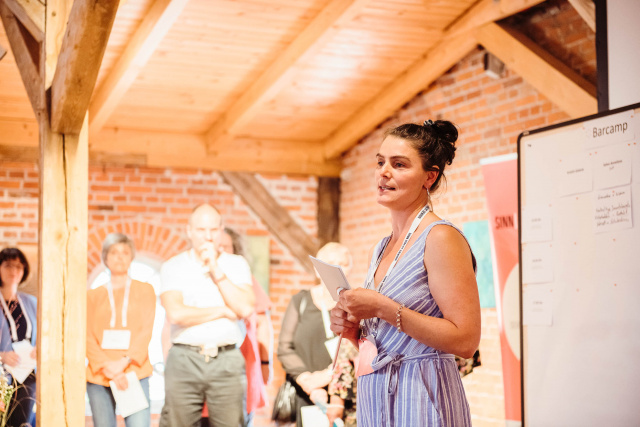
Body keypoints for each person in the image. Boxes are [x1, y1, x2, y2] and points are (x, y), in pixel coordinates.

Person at [329, 120, 481, 426]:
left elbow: (466, 340)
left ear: (429, 176)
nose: (384, 172)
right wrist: (353, 330)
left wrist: (381, 307)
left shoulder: (440, 237)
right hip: (376, 396)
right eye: (380, 162)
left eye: (398, 164)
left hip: (423, 394)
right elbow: (391, 339)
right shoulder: (380, 247)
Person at [160, 204, 255, 427]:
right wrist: (222, 311)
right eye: (201, 230)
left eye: (213, 230)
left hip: (227, 358)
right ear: (189, 231)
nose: (208, 236)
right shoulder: (174, 266)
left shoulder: (236, 264)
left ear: (221, 230)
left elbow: (244, 308)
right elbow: (176, 314)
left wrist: (215, 268)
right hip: (185, 357)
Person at [278, 242, 357, 427]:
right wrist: (308, 383)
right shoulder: (300, 301)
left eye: (343, 264)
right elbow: (284, 348)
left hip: (344, 394)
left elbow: (359, 350)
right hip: (306, 391)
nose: (338, 269)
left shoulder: (355, 305)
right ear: (317, 270)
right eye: (331, 263)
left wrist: (329, 376)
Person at [86, 233, 156, 427]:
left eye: (125, 252)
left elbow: (146, 332)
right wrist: (109, 368)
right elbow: (86, 337)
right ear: (106, 257)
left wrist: (123, 363)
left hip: (134, 372)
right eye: (114, 252)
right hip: (100, 375)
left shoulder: (146, 290)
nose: (119, 257)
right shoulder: (92, 296)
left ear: (131, 257)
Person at [0, 247, 37, 427]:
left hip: (28, 373)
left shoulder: (32, 302)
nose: (13, 271)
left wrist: (39, 349)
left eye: (18, 266)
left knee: (23, 422)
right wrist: (2, 355)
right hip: (3, 374)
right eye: (8, 265)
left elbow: (43, 336)